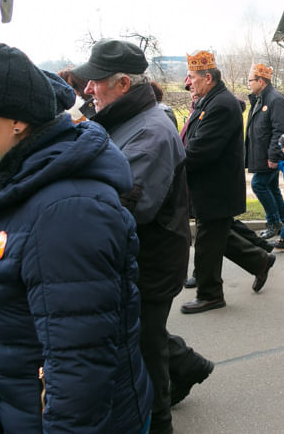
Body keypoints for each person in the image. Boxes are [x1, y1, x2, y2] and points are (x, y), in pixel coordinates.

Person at [0, 43, 152, 432]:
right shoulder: (17, 187)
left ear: (16, 121)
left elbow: (79, 371)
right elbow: (12, 300)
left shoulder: (66, 209)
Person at [73, 39, 213, 433]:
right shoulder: (125, 121)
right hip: (141, 256)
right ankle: (189, 367)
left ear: (121, 84)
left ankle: (159, 420)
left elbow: (128, 207)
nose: (87, 89)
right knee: (143, 334)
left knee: (143, 346)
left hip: (151, 259)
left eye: (94, 81)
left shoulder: (150, 132)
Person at [182, 51, 274, 313]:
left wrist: (170, 159)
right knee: (216, 236)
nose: (189, 83)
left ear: (207, 77)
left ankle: (210, 294)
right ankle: (259, 261)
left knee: (209, 240)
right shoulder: (209, 100)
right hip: (210, 185)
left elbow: (200, 150)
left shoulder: (220, 104)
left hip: (216, 186)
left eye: (192, 77)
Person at [246, 63, 284, 239]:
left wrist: (274, 155)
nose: (248, 84)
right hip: (262, 154)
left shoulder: (275, 99)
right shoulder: (261, 99)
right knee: (272, 188)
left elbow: (280, 130)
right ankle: (283, 221)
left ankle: (274, 222)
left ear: (260, 80)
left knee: (258, 185)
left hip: (270, 155)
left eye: (250, 80)